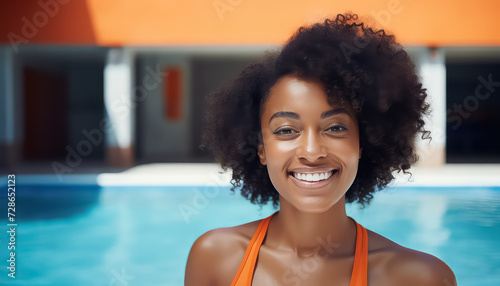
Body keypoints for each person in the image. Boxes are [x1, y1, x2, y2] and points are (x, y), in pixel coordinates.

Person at [185, 13, 457, 286]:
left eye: (335, 128)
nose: (312, 152)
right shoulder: (215, 258)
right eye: (286, 130)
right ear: (261, 149)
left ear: (364, 142)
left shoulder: (420, 277)